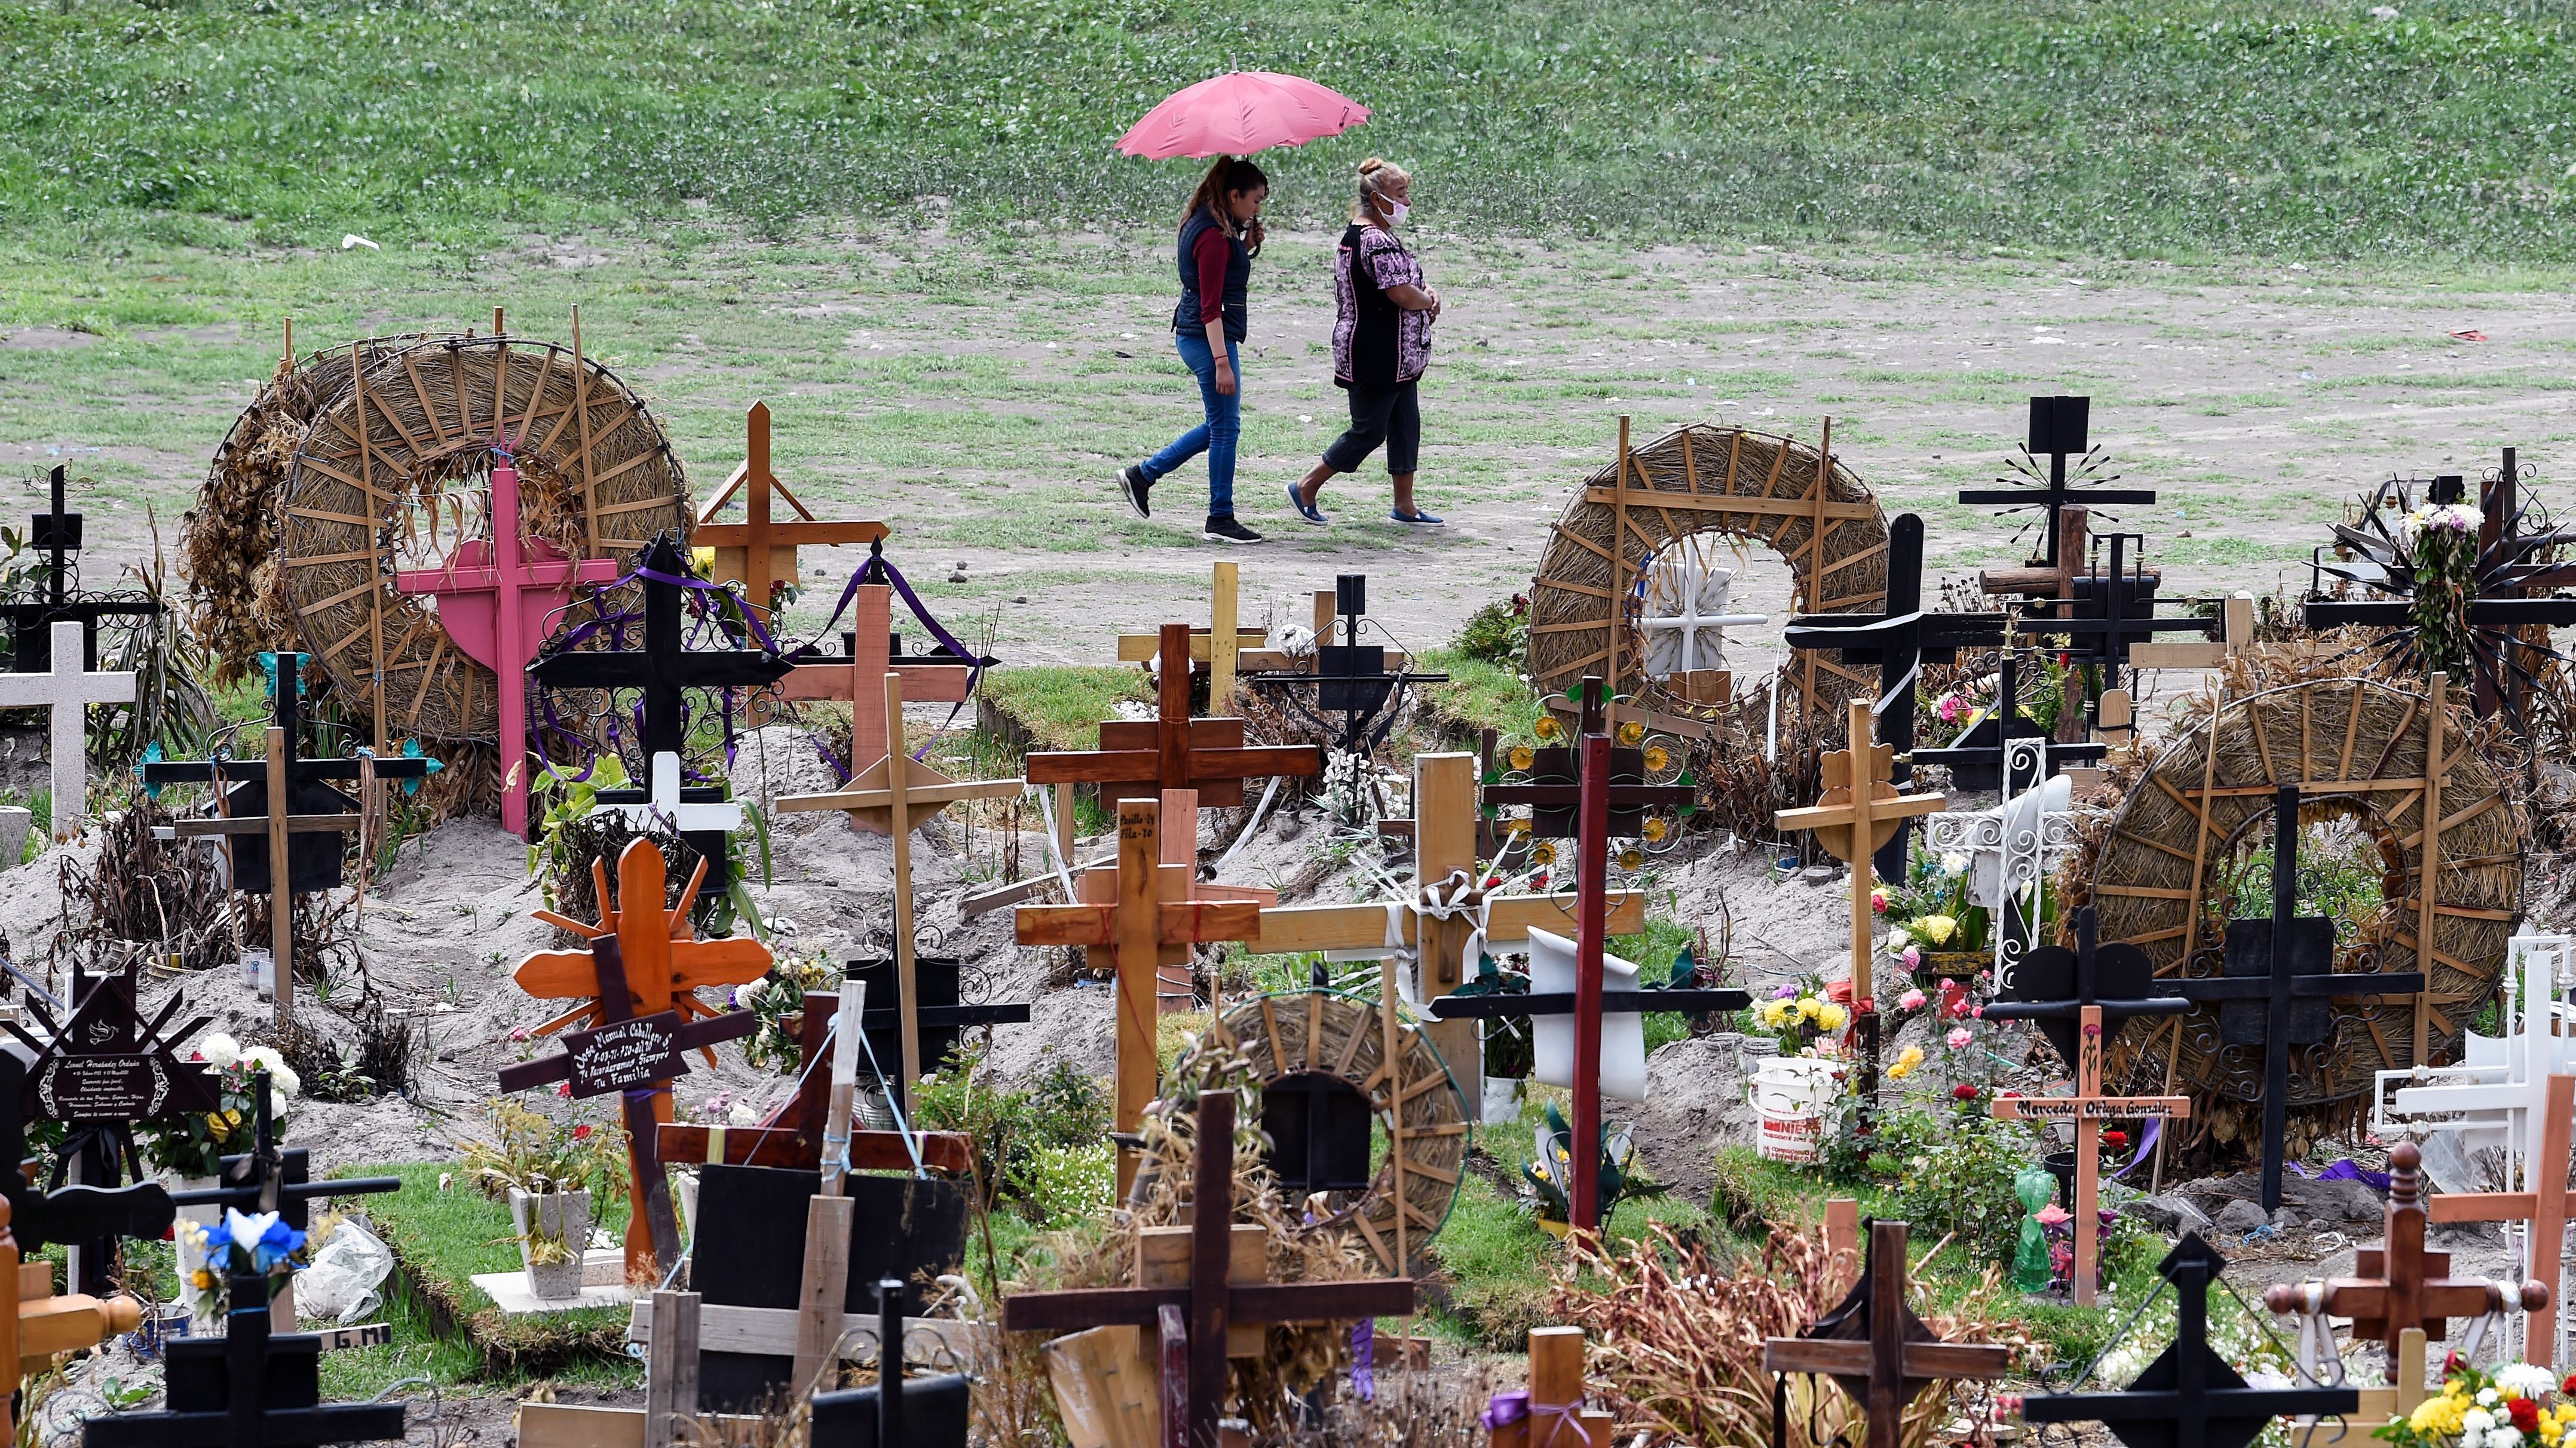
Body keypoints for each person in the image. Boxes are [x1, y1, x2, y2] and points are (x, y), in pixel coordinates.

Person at [1115, 156, 1269, 544]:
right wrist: (1222, 363)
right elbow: (1210, 306)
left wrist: (1244, 245)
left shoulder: (1209, 223)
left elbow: (1214, 277)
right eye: (1254, 201)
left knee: (1221, 427)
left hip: (1197, 334)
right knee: (1225, 429)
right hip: (1206, 338)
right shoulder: (1214, 238)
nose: (1257, 209)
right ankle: (1219, 517)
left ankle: (1143, 475)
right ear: (1233, 195)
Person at [1287, 157, 1442, 527]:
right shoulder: (1374, 238)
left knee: (1405, 423)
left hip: (1396, 353)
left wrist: (1423, 294)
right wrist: (1429, 300)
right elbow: (1400, 293)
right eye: (1400, 194)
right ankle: (1306, 486)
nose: (1406, 202)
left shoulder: (1368, 233)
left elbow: (1404, 285)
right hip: (1378, 351)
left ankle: (1404, 505)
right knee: (1369, 429)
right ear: (1377, 199)